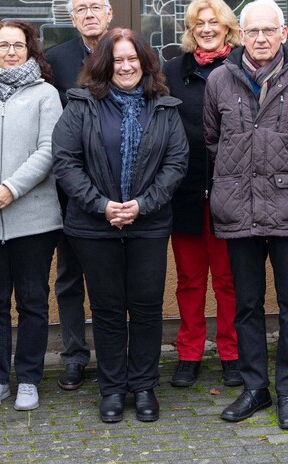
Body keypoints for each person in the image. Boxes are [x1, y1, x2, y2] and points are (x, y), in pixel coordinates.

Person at [52, 28, 189, 424]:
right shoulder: (80, 104)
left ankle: (144, 386)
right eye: (118, 60)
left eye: (133, 59)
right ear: (104, 65)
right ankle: (112, 388)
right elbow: (66, 162)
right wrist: (102, 206)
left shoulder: (164, 106)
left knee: (146, 307)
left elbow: (176, 163)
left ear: (145, 63)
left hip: (149, 224)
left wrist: (143, 205)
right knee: (108, 309)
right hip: (94, 226)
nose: (126, 66)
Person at [203, 0, 288, 431]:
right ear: (241, 34)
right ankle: (255, 387)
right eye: (252, 31)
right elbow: (213, 140)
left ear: (283, 33)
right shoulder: (219, 80)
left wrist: (283, 176)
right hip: (238, 205)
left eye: (268, 30)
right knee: (247, 304)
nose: (260, 38)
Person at [0, 21, 64, 412]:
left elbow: (49, 150)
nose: (10, 52)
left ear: (30, 50)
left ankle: (28, 379)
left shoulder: (46, 94)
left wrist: (12, 188)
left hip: (34, 219)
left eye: (18, 45)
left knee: (33, 301)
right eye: (2, 45)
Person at [163, 0, 244, 388]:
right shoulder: (172, 71)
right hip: (186, 191)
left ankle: (231, 352)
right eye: (199, 24)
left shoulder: (243, 66)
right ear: (190, 30)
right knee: (190, 280)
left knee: (229, 280)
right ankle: (189, 352)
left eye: (214, 22)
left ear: (227, 27)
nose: (207, 29)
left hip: (233, 191)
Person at [46, 0, 114, 391]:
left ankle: (116, 354)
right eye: (81, 9)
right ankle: (74, 355)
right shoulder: (55, 60)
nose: (89, 14)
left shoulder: (129, 53)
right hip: (70, 188)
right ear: (73, 19)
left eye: (95, 8)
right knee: (69, 276)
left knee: (116, 280)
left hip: (121, 187)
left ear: (109, 13)